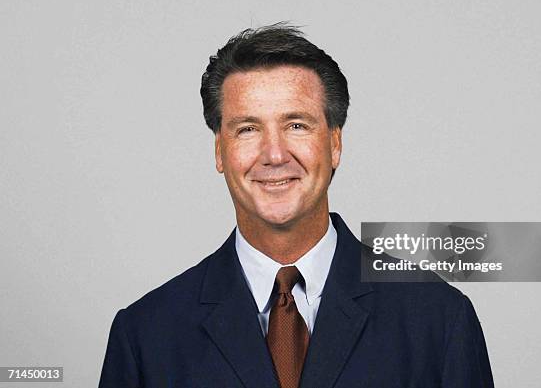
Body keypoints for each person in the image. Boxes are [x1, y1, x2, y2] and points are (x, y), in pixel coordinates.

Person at [98, 23, 494, 388]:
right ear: (220, 152)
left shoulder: (438, 320)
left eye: (296, 125)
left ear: (335, 143)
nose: (274, 154)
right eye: (248, 129)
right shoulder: (145, 335)